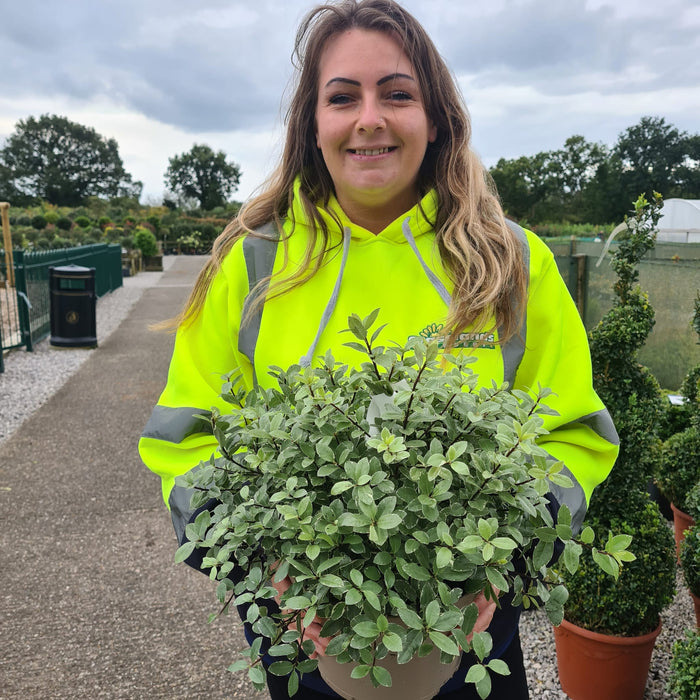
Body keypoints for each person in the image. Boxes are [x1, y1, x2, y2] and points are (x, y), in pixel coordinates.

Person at [139, 1, 619, 697]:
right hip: (300, 626)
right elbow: (185, 440)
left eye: (397, 93)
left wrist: (500, 562)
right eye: (342, 97)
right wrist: (271, 572)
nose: (370, 118)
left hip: (469, 624)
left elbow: (573, 431)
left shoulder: (508, 261)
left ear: (436, 120)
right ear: (312, 123)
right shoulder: (254, 266)